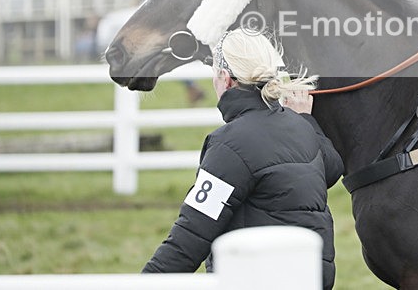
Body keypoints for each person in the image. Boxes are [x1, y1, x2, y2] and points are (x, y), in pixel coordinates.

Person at [142, 28, 343, 289]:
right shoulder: (301, 126)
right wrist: (305, 120)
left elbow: (189, 238)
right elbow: (332, 168)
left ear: (224, 78)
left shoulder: (230, 144)